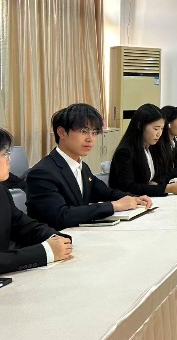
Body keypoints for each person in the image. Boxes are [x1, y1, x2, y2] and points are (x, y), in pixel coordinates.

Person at [26, 104, 152, 230]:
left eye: (94, 132)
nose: (90, 139)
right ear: (62, 133)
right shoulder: (42, 173)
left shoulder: (82, 167)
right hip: (55, 238)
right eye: (84, 131)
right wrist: (114, 206)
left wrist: (133, 198)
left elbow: (106, 192)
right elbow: (60, 216)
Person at [1, 128, 73, 274]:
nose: (9, 159)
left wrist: (54, 237)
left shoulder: (2, 193)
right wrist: (45, 252)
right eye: (4, 154)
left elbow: (25, 227)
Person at [109, 104, 177, 197]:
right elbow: (129, 187)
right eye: (156, 129)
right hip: (130, 201)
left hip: (147, 198)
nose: (159, 134)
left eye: (162, 129)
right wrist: (166, 188)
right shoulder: (126, 152)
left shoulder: (151, 147)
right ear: (140, 126)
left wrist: (173, 183)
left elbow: (162, 174)